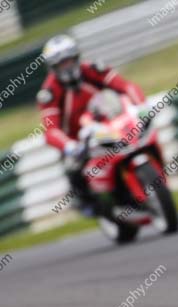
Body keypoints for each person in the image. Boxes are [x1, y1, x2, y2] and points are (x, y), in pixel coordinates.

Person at [37, 34, 146, 215]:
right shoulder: (49, 92)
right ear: (52, 67)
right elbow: (50, 129)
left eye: (69, 60)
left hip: (109, 123)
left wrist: (141, 106)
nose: (67, 67)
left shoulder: (94, 69)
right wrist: (70, 146)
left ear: (77, 58)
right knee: (72, 166)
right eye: (61, 64)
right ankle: (87, 202)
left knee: (137, 137)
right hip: (77, 139)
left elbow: (126, 87)